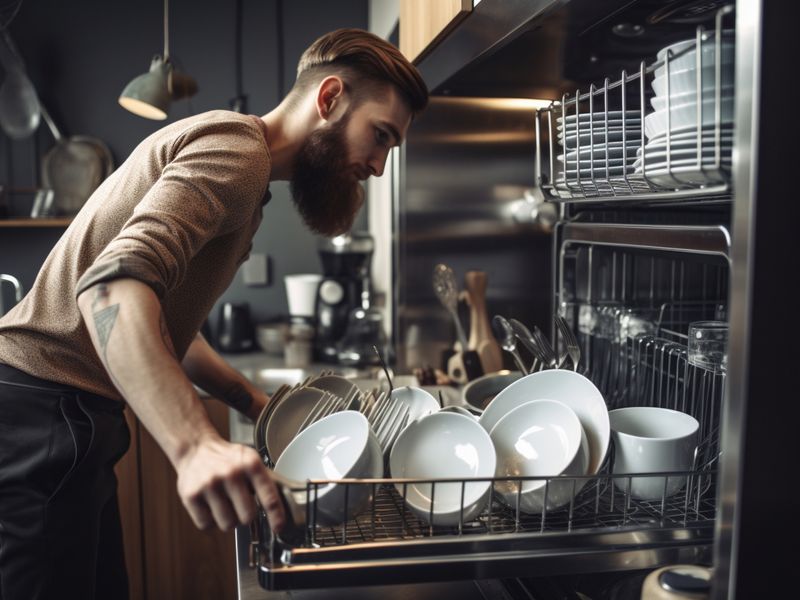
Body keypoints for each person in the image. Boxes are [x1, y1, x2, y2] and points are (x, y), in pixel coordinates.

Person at [0, 28, 428, 600]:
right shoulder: (238, 152)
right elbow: (109, 291)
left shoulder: (247, 180)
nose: (378, 165)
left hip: (64, 418)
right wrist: (194, 446)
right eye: (380, 136)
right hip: (41, 416)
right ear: (329, 100)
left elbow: (163, 317)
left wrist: (253, 402)